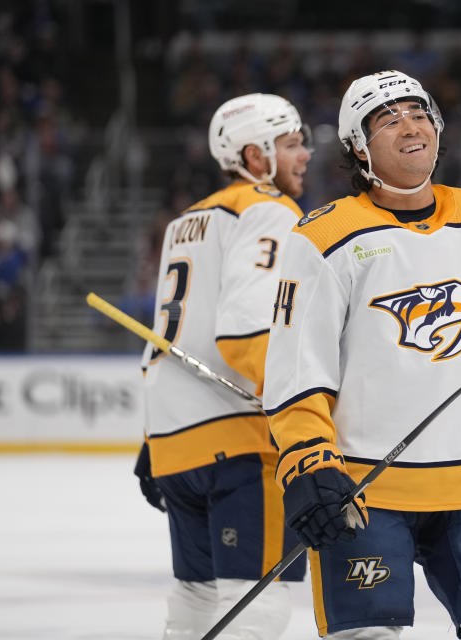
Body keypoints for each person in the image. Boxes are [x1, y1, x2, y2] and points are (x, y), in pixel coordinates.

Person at [262, 70, 461, 639]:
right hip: (365, 492)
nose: (410, 126)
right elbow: (297, 370)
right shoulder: (323, 237)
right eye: (388, 119)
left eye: (418, 113)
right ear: (359, 147)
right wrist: (307, 455)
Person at [135, 93, 313, 639]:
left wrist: (150, 440)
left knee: (197, 594)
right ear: (256, 158)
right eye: (291, 143)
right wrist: (304, 411)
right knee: (255, 603)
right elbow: (245, 332)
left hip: (173, 441)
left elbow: (172, 337)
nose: (305, 154)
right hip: (237, 440)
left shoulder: (185, 222)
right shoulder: (270, 209)